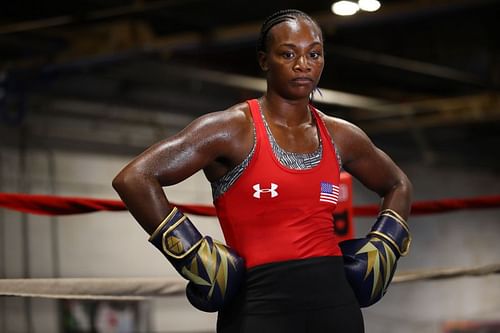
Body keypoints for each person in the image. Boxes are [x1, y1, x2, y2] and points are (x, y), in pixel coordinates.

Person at [112, 9, 413, 333]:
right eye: (288, 53)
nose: (303, 64)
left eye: (314, 53)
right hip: (258, 307)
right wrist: (193, 256)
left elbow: (398, 184)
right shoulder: (231, 129)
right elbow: (135, 178)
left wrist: (385, 248)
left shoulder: (341, 136)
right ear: (264, 60)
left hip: (336, 305)